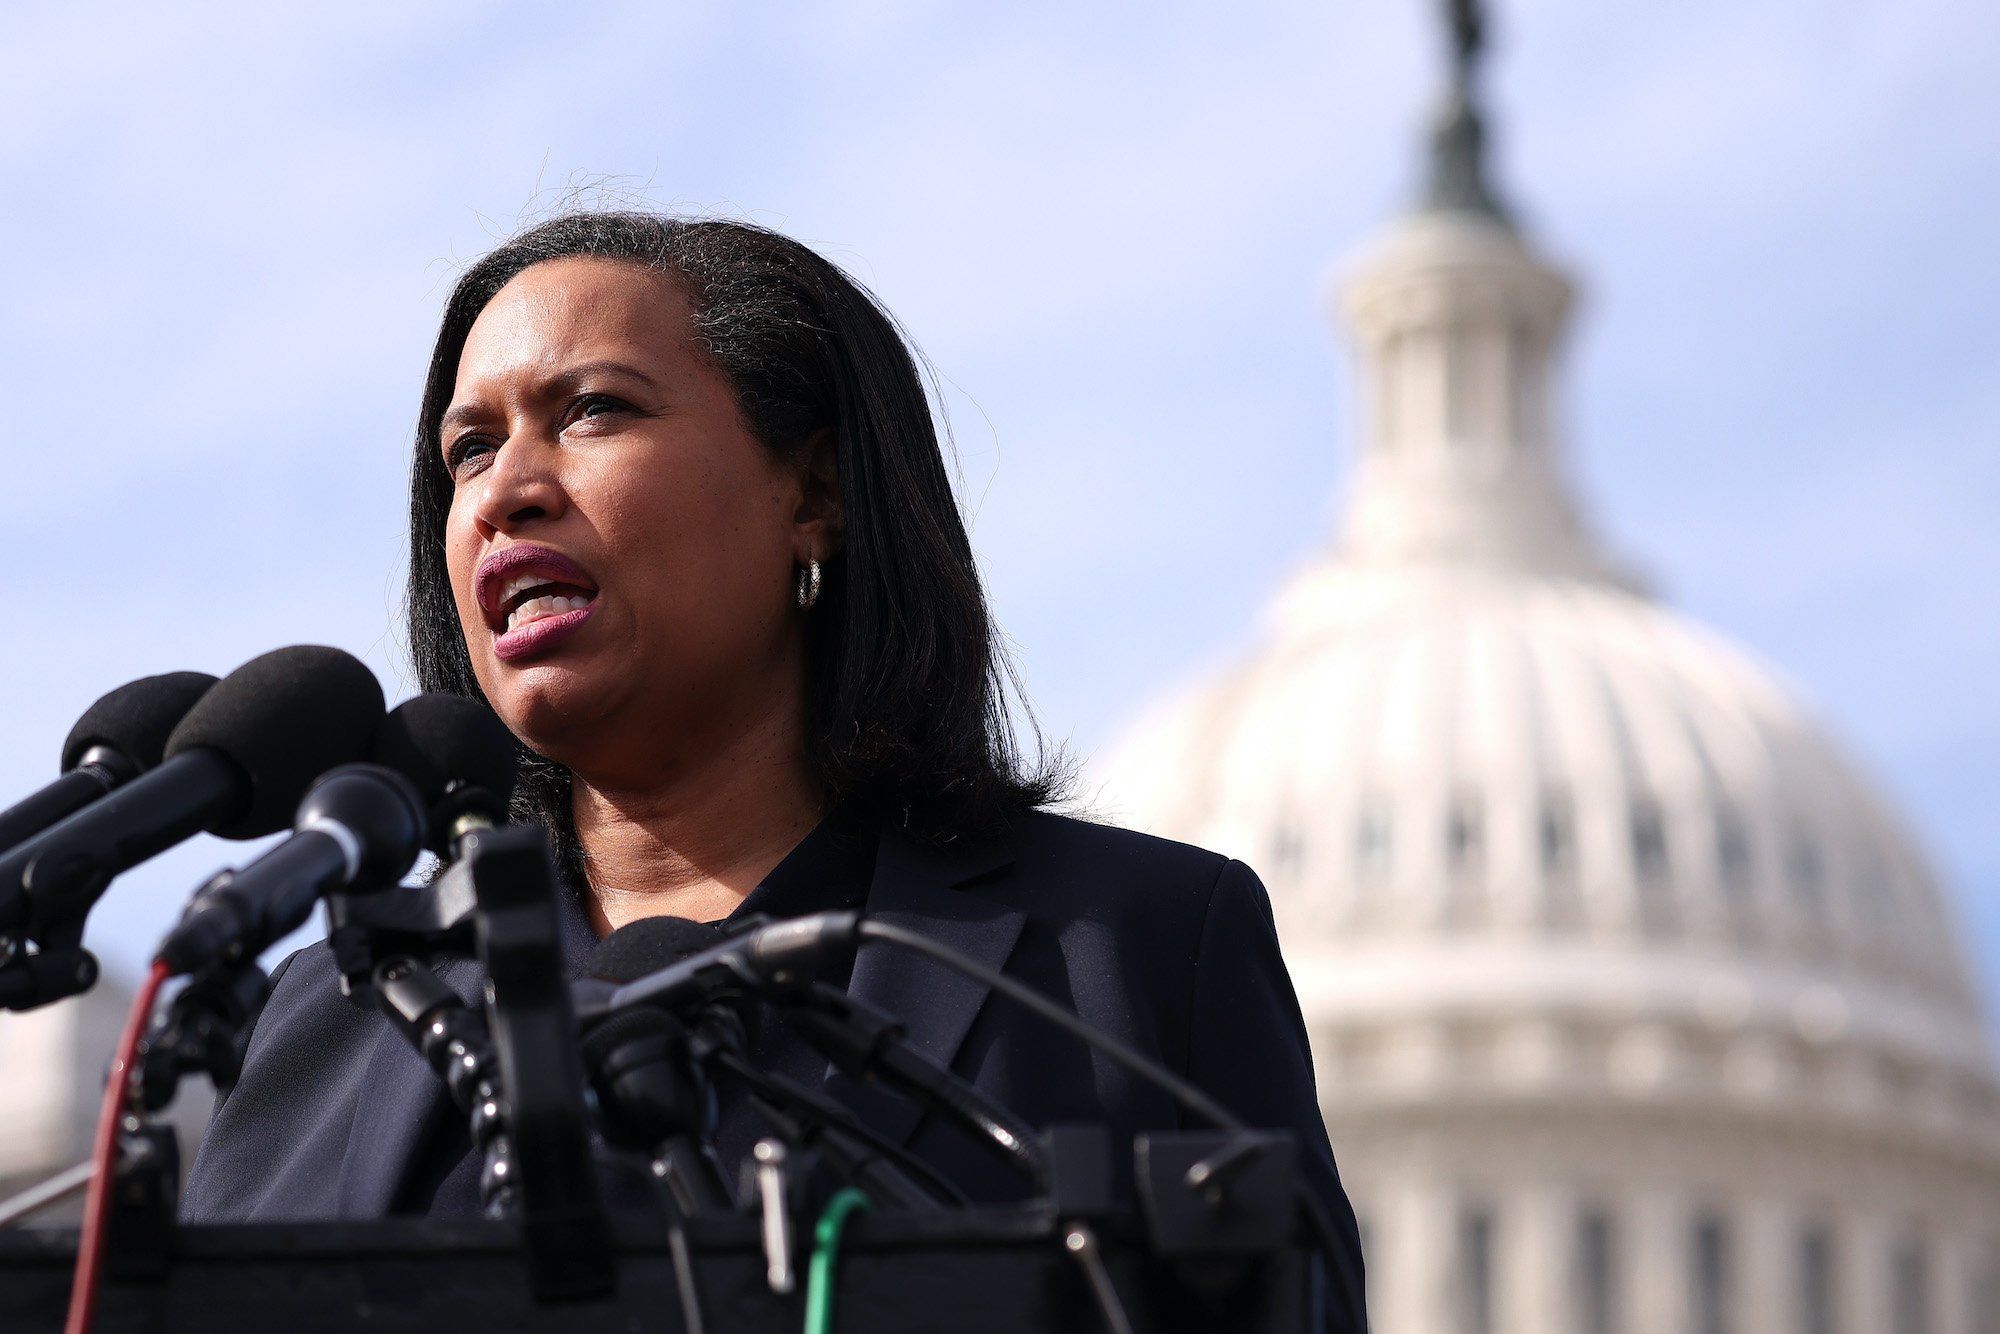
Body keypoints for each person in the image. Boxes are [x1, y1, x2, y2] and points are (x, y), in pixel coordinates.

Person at [181, 212, 1366, 1326]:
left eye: (592, 410)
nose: (505, 490)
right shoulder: (334, 1016)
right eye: (470, 448)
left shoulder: (1132, 949)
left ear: (814, 493)